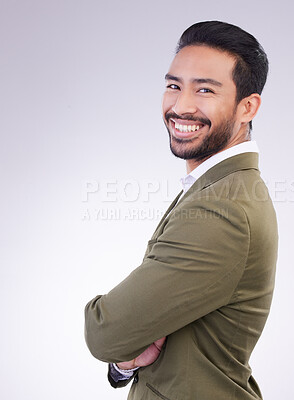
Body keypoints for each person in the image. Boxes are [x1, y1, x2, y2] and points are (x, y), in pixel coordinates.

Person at [85, 20, 278, 400]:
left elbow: (104, 331)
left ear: (247, 107)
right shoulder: (218, 188)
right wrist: (126, 361)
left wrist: (115, 337)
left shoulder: (222, 208)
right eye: (174, 85)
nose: (181, 105)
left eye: (205, 89)